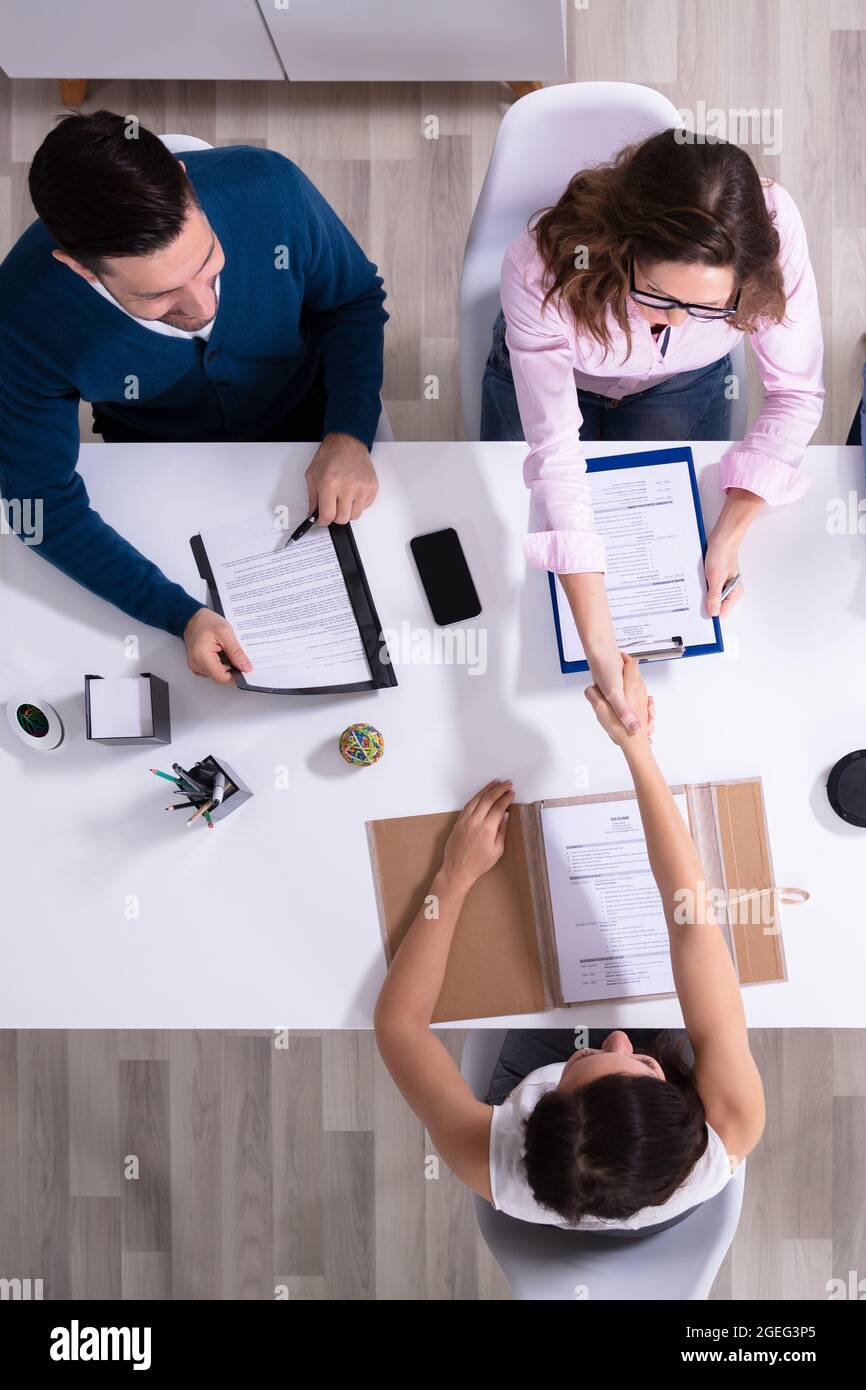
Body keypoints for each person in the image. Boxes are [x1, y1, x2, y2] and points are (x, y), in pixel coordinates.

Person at [374, 656, 765, 1235]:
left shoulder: (487, 1159)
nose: (617, 1036)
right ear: (684, 1110)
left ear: (531, 1118)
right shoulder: (731, 1126)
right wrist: (638, 747)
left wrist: (453, 877)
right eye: (640, 1060)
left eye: (580, 1062)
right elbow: (691, 921)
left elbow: (398, 1026)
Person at [0, 111, 387, 684]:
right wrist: (178, 615)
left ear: (188, 185)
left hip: (316, 418)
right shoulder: (23, 317)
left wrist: (350, 432)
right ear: (80, 268)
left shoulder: (270, 187)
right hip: (159, 457)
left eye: (207, 264)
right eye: (159, 296)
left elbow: (352, 300)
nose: (203, 309)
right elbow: (38, 507)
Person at [482, 129, 823, 731]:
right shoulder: (539, 267)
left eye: (710, 308)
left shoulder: (773, 228)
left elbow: (794, 394)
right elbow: (557, 455)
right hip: (561, 373)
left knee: (685, 523)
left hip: (683, 384)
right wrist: (600, 648)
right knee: (510, 552)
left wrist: (732, 532)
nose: (675, 321)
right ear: (623, 244)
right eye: (658, 296)